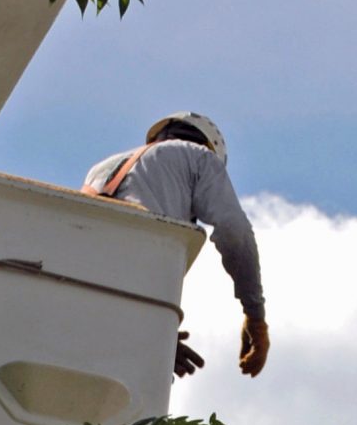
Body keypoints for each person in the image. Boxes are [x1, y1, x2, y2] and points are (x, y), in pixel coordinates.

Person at [82, 113, 270, 378]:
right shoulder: (199, 157)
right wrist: (255, 316)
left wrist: (151, 332)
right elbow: (234, 231)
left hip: (88, 294)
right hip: (135, 287)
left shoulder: (101, 169)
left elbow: (99, 264)